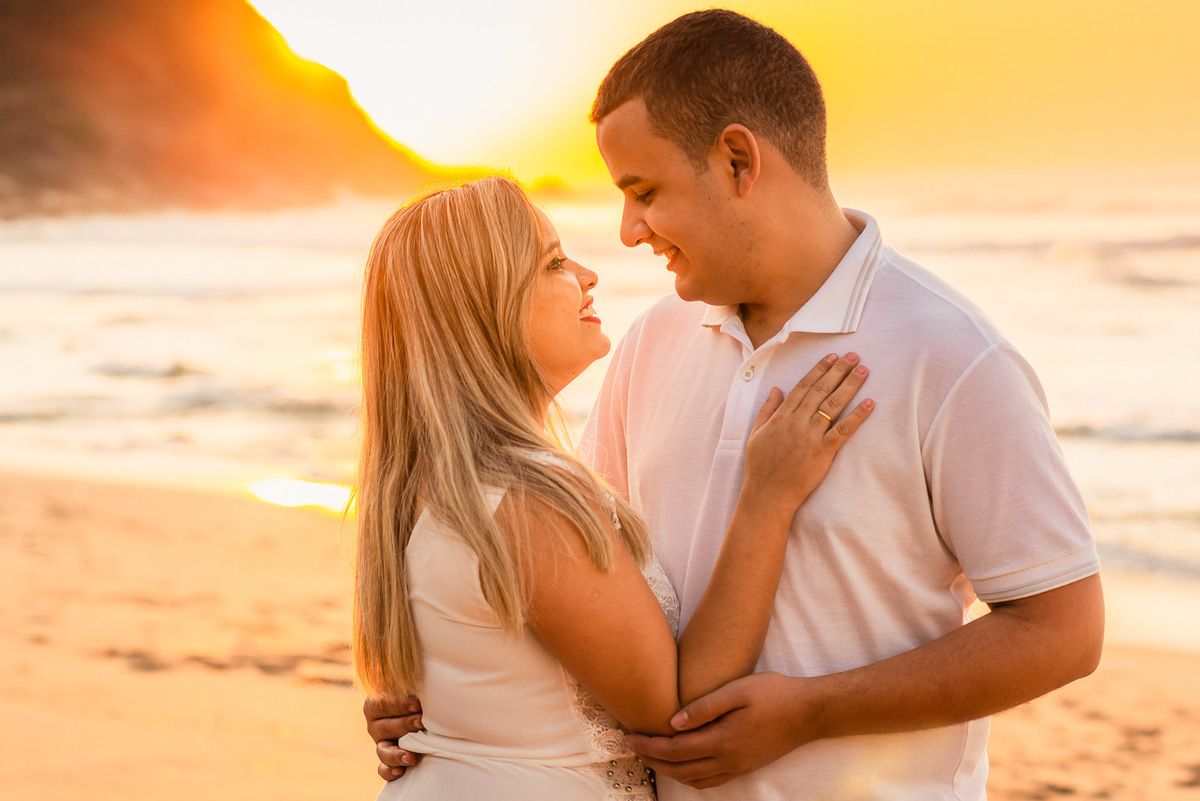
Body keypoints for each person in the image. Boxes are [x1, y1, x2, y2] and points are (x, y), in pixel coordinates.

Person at [369, 10, 1104, 799]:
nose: (626, 231)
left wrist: (814, 710)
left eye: (644, 190)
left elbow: (1063, 631)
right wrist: (457, 708)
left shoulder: (952, 357)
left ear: (737, 160)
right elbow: (584, 595)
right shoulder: (651, 342)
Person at [354, 174, 874, 800]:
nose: (586, 274)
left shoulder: (423, 485)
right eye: (552, 262)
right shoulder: (527, 499)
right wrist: (768, 497)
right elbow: (683, 713)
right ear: (487, 308)